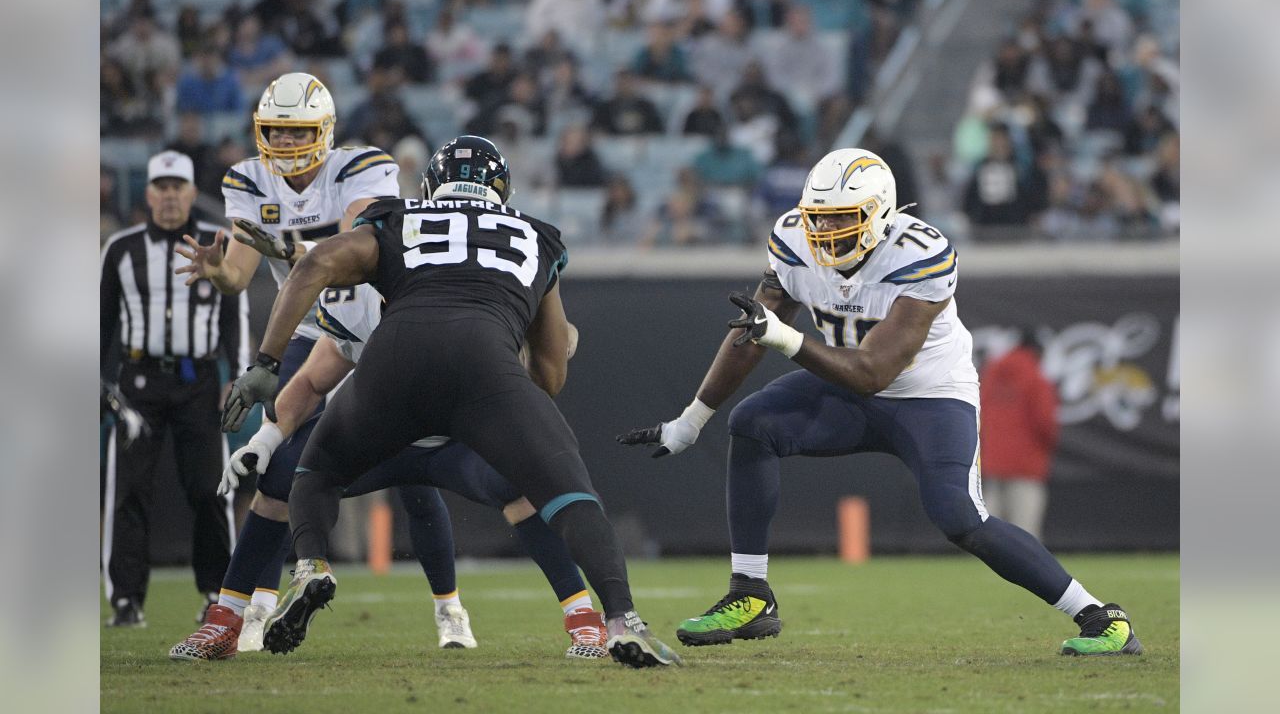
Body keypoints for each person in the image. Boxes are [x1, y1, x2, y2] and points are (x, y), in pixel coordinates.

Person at [618, 147, 1143, 657]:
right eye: (817, 220)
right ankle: (750, 594)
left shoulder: (922, 254)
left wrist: (783, 337)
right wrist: (692, 419)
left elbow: (873, 372)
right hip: (844, 382)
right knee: (752, 422)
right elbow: (752, 332)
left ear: (879, 213)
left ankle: (1102, 617)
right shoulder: (792, 241)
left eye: (841, 219)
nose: (825, 233)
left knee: (960, 516)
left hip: (927, 395)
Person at [222, 135, 681, 667]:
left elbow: (314, 266)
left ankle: (312, 567)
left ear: (432, 187)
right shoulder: (536, 235)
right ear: (501, 191)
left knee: (314, 471)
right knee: (569, 492)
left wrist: (266, 362)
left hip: (396, 356)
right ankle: (621, 619)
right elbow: (550, 375)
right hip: (485, 363)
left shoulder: (396, 218)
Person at [208, 282, 610, 660]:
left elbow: (564, 335)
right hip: (379, 445)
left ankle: (582, 618)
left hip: (454, 445)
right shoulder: (360, 303)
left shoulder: (473, 287)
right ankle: (228, 617)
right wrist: (267, 439)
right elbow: (312, 380)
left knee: (521, 490)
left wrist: (543, 337)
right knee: (278, 481)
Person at [169, 72, 422, 651]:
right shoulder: (249, 181)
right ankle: (236, 614)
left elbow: (360, 241)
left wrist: (289, 248)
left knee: (456, 470)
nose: (284, 145)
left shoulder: (361, 168)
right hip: (319, 331)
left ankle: (466, 611)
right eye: (276, 133)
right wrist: (218, 271)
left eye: (298, 132)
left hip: (388, 333)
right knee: (278, 475)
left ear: (325, 131)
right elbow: (238, 274)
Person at [100, 151, 250, 628]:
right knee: (128, 492)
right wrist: (100, 381)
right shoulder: (121, 249)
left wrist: (239, 375)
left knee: (210, 490)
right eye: (160, 187)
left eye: (177, 187)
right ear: (148, 194)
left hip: (198, 382)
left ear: (190, 192)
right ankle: (126, 599)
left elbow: (234, 314)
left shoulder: (215, 244)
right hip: (137, 385)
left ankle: (216, 592)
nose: (168, 196)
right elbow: (102, 320)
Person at [979, 331, 1059, 541]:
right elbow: (1045, 422)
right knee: (1025, 529)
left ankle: (982, 563)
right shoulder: (1035, 378)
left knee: (987, 524)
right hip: (1027, 461)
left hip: (993, 458)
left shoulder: (991, 374)